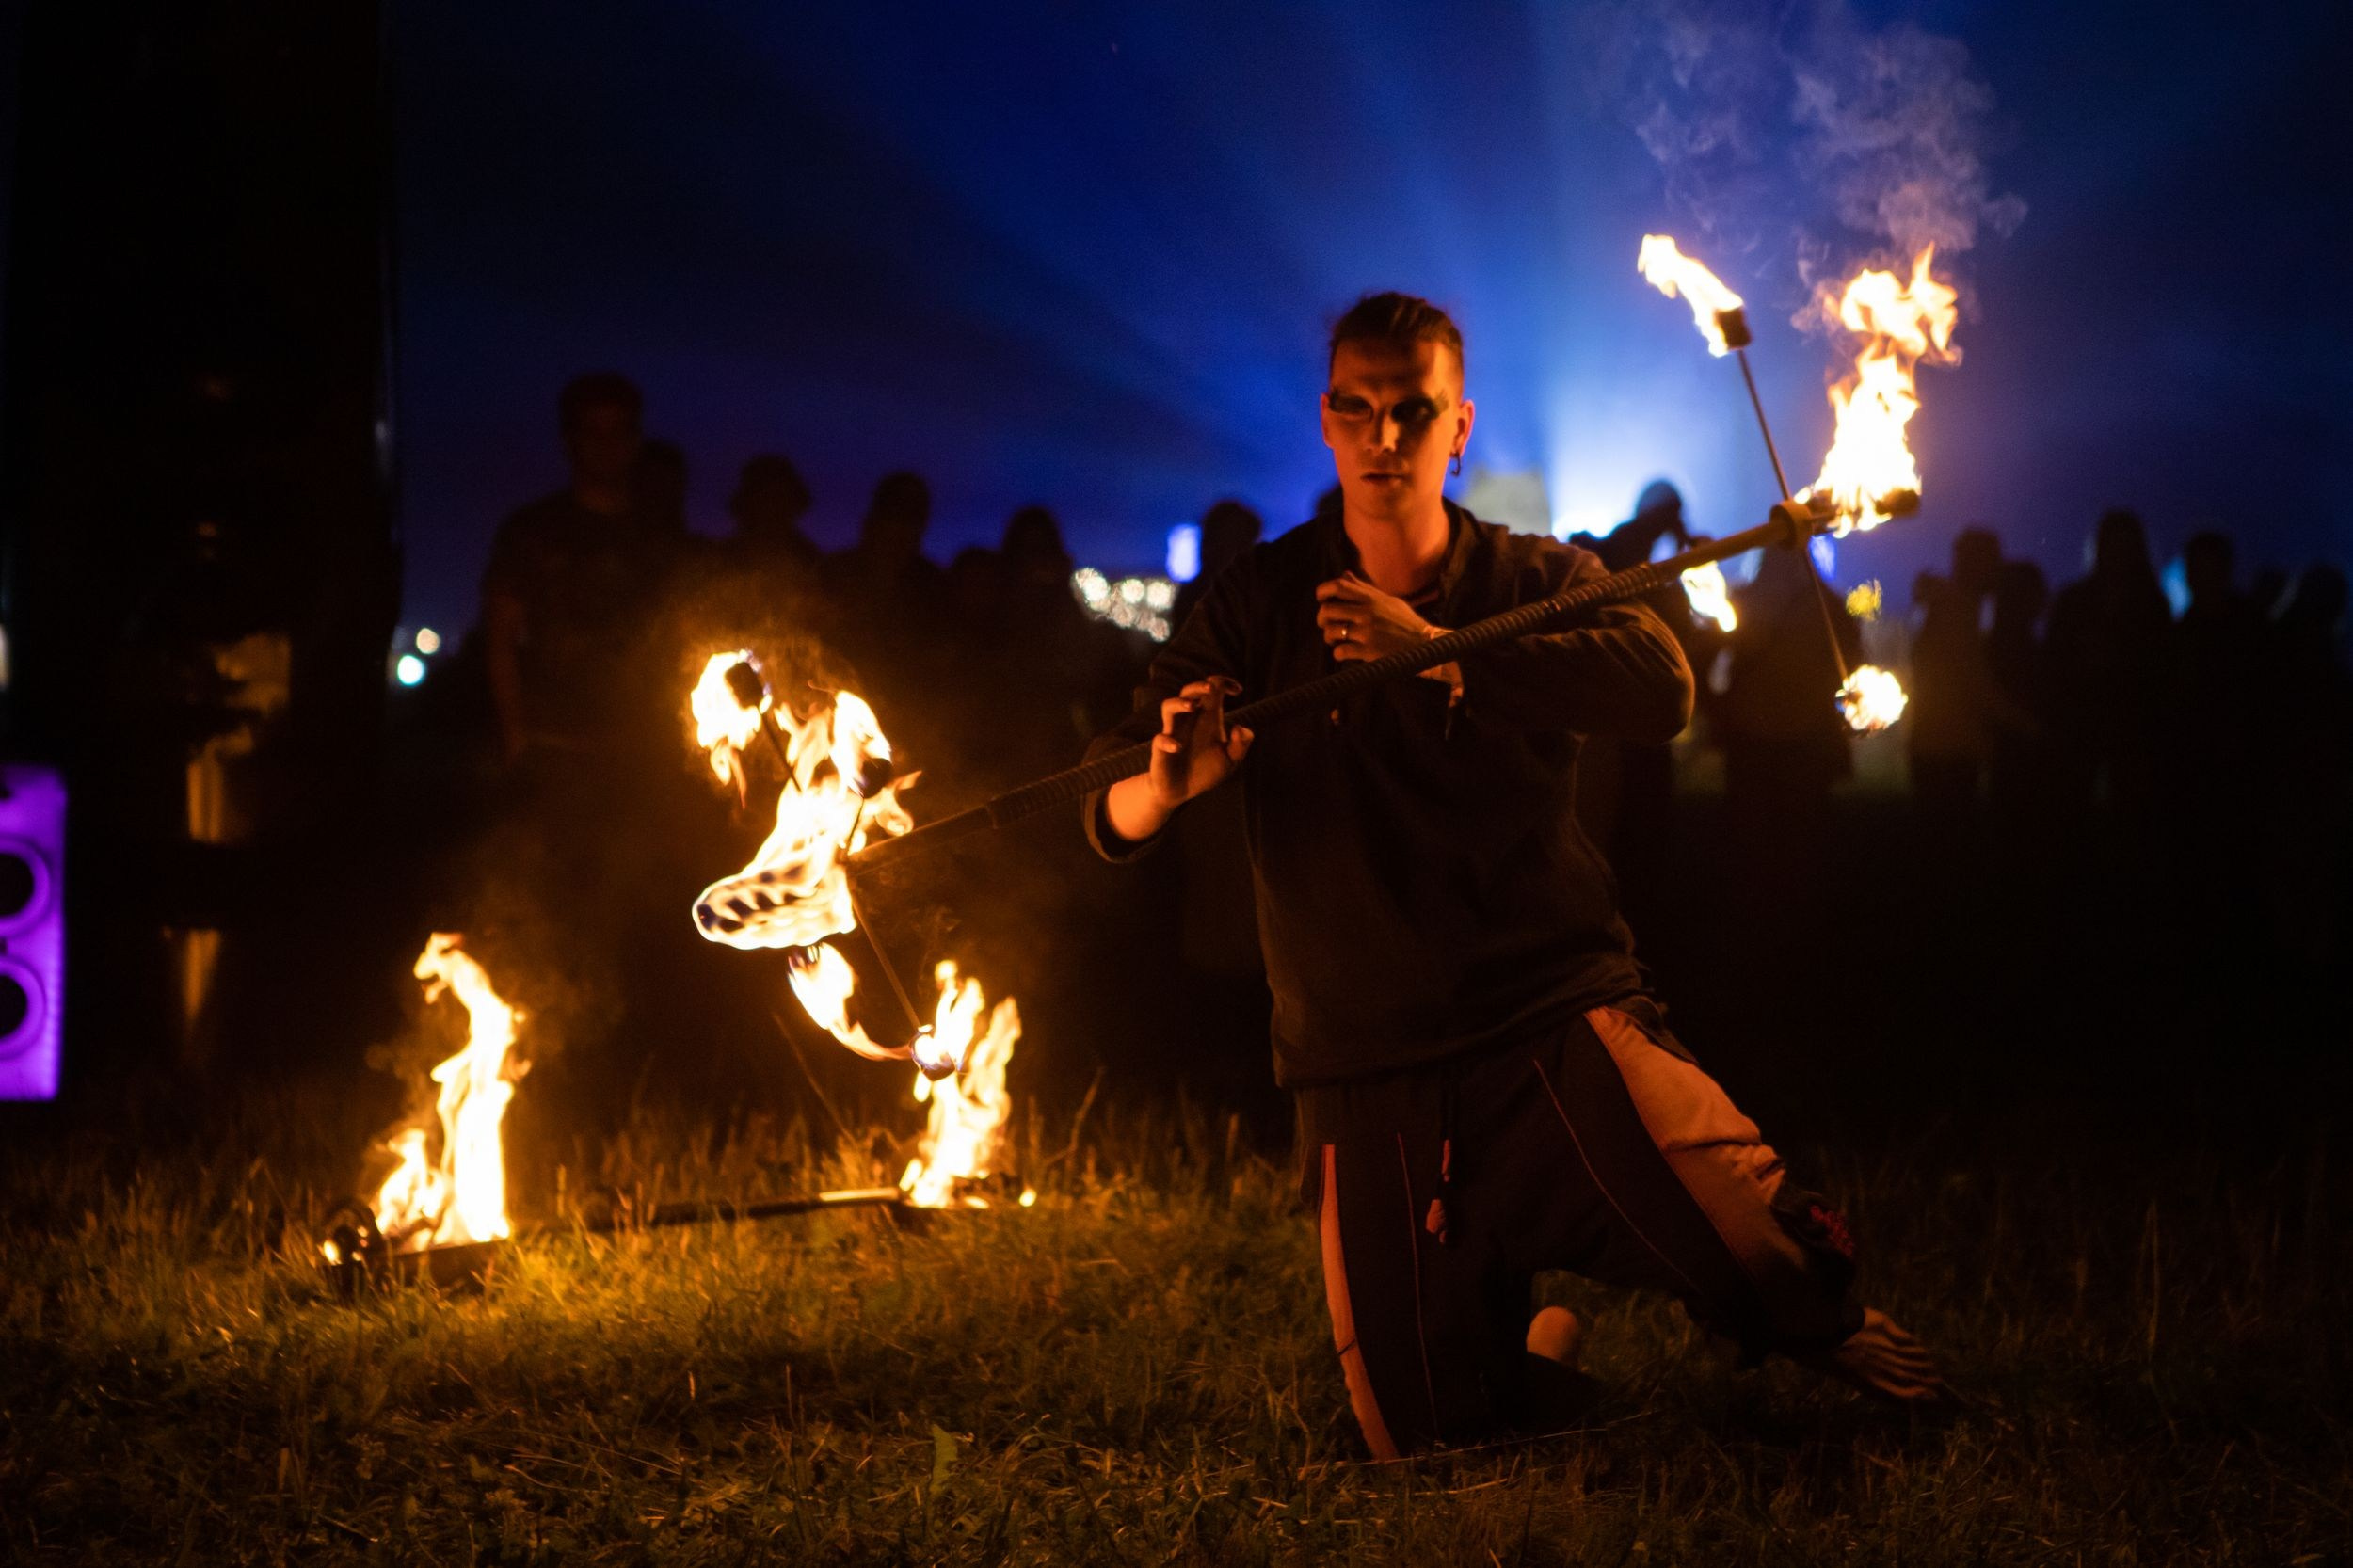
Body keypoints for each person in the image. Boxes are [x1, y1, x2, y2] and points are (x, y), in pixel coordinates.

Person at [1081, 292, 1946, 1457]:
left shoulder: (1530, 573)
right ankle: (1535, 1334)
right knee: (1421, 1443)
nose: (1383, 436)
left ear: (1459, 426)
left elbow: (1661, 687)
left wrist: (1434, 656)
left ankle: (1804, 1311)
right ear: (1328, 423)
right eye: (1357, 409)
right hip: (1363, 1058)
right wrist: (1164, 785)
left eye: (1411, 410)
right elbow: (1113, 785)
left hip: (1545, 1014)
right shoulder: (1257, 600)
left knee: (1779, 1259)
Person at [480, 373, 676, 765]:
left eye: (618, 432)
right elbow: (500, 638)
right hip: (556, 746)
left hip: (648, 751)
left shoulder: (661, 538)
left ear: (635, 441)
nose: (607, 446)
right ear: (570, 441)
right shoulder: (532, 531)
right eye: (593, 433)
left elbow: (682, 637)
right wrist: (515, 737)